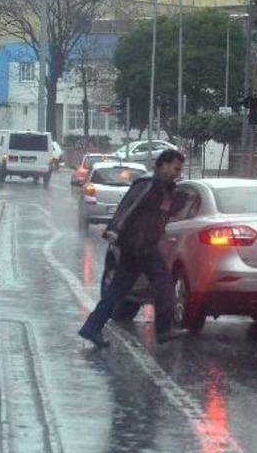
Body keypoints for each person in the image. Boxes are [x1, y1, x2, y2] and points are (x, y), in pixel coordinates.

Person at [78, 149, 189, 348]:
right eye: (175, 168)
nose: (178, 173)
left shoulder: (166, 188)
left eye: (180, 170)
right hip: (138, 243)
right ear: (163, 165)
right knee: (163, 280)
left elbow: (166, 213)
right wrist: (115, 230)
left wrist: (180, 200)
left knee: (117, 290)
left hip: (143, 245)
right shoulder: (148, 185)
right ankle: (164, 329)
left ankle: (91, 328)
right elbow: (128, 207)